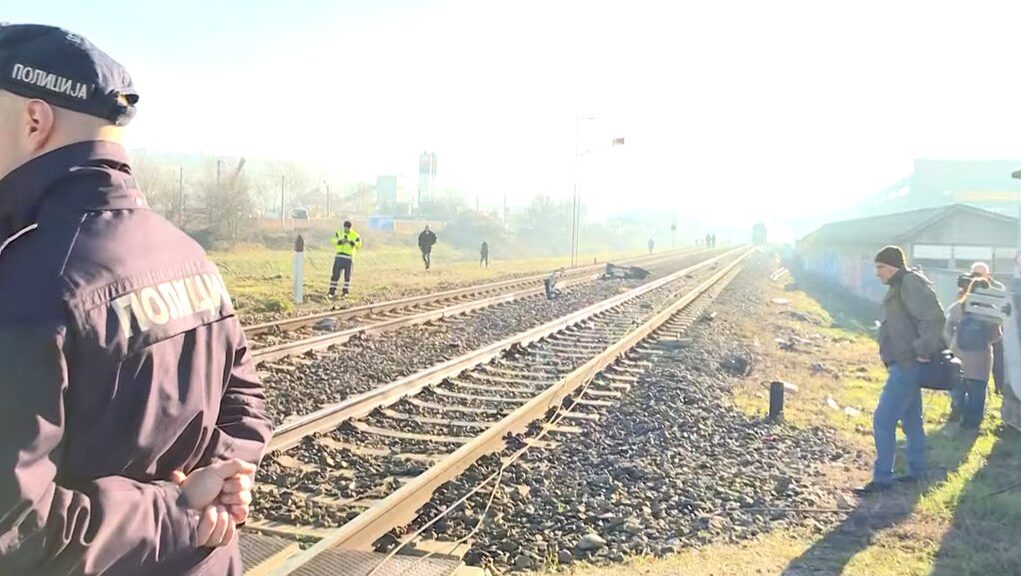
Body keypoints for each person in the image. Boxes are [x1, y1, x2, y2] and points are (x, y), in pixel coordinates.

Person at [0, 24, 272, 574]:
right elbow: (246, 403)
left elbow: (17, 529)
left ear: (34, 121)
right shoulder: (187, 253)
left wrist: (181, 510)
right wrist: (220, 484)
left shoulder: (27, 281)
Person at [856, 246, 944, 495]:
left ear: (894, 266)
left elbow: (934, 318)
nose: (877, 273)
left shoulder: (910, 283)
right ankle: (917, 472)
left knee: (883, 419)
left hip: (907, 363)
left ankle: (883, 478)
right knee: (911, 419)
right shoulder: (899, 285)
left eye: (881, 267)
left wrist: (923, 349)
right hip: (903, 362)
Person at [945, 278, 1002, 430]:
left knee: (958, 386)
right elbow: (996, 335)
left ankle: (958, 414)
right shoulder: (990, 311)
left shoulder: (958, 307)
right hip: (980, 358)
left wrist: (954, 340)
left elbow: (948, 329)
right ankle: (972, 424)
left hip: (959, 354)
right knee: (977, 390)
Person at [969, 262, 1006, 395]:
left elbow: (1001, 306)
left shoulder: (997, 287)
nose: (976, 276)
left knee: (999, 359)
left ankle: (999, 387)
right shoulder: (969, 285)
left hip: (993, 325)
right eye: (973, 274)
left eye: (978, 274)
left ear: (987, 274)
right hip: (974, 327)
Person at [329, 220, 362, 299]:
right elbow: (332, 240)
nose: (346, 229)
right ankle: (332, 291)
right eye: (345, 228)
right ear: (344, 227)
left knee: (347, 276)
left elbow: (359, 245)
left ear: (351, 228)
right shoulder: (339, 233)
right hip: (339, 257)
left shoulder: (355, 235)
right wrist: (340, 241)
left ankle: (345, 292)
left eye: (348, 228)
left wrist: (351, 243)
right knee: (335, 275)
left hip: (349, 258)